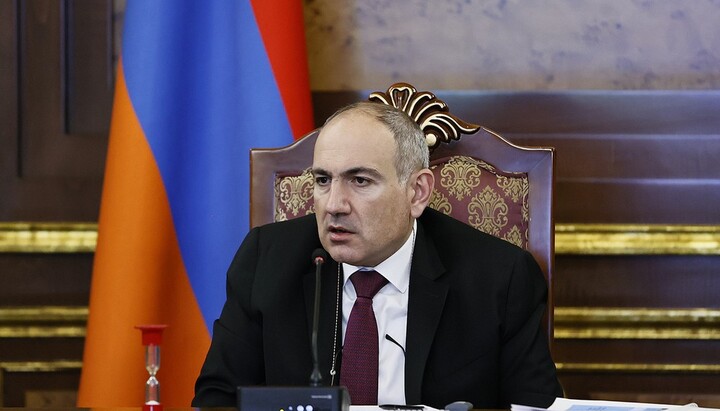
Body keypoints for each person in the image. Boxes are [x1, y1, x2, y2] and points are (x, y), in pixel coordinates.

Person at [192, 102, 563, 408]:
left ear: (417, 192)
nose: (334, 205)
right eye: (323, 180)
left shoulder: (499, 277)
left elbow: (535, 405)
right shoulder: (267, 259)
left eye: (360, 181)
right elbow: (217, 398)